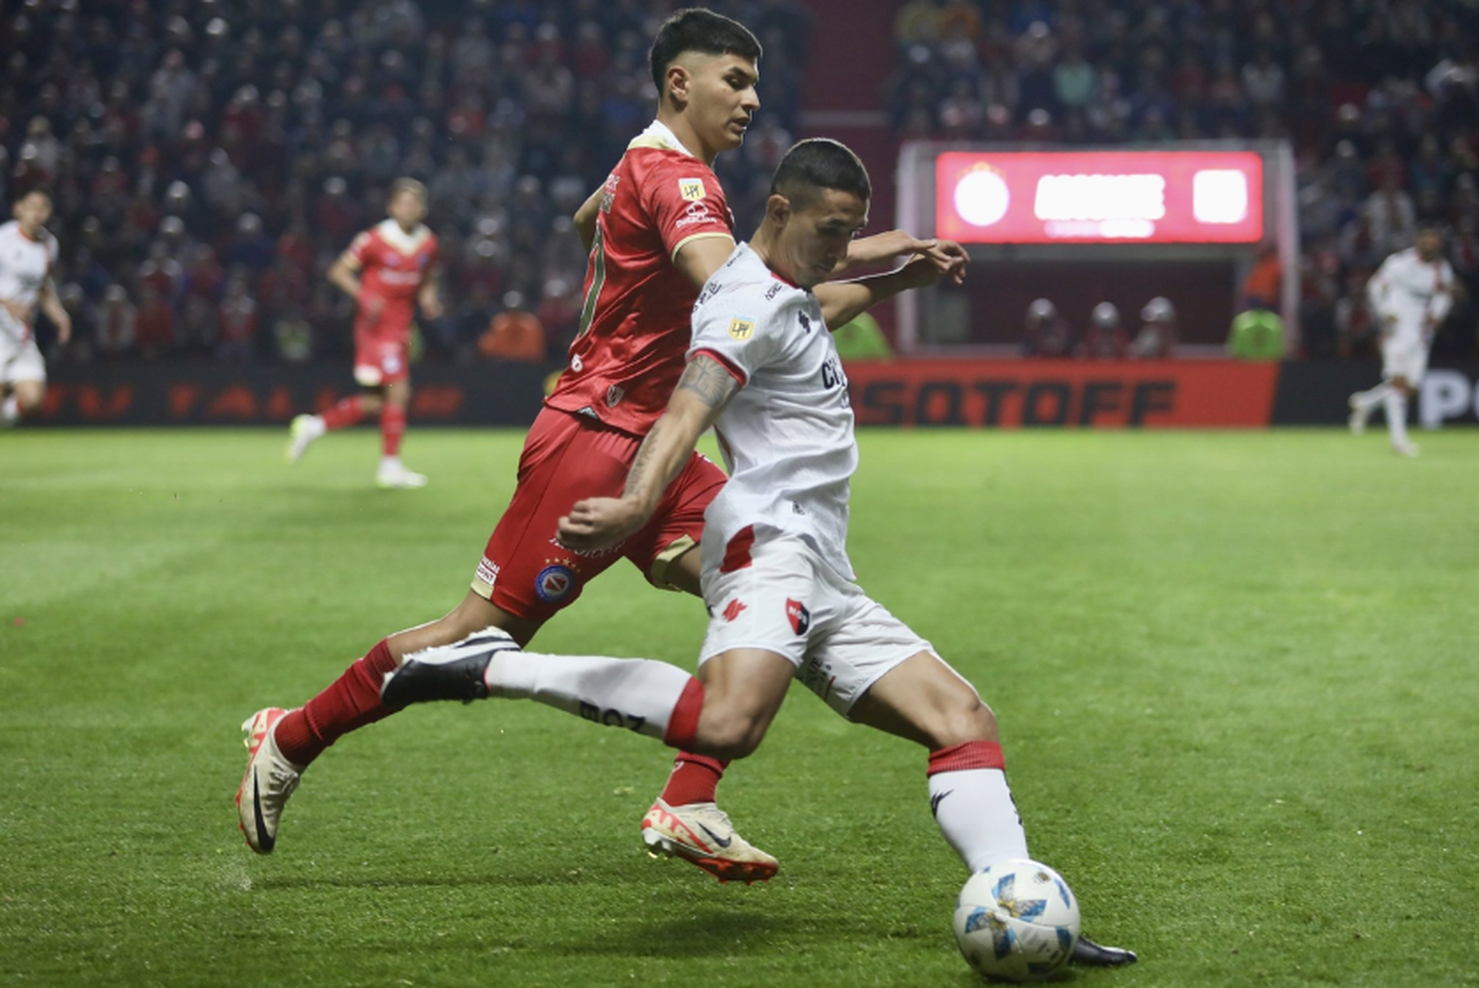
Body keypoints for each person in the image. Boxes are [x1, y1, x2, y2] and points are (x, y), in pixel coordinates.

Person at [380, 138, 1135, 969]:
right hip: (765, 545)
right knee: (730, 724)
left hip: (822, 567)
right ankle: (488, 665)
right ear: (779, 211)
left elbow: (820, 304)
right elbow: (687, 408)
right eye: (832, 230)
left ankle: (1020, 902)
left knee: (963, 721)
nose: (841, 247)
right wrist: (637, 500)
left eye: (854, 232)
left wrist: (897, 274)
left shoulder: (787, 288)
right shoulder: (742, 302)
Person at [237, 8, 944, 885]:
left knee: (759, 586)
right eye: (736, 79)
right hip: (597, 438)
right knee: (472, 636)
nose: (753, 99)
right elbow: (744, 286)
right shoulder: (681, 181)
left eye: (756, 82)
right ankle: (291, 735)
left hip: (657, 445)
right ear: (679, 82)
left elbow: (591, 223)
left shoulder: (640, 164)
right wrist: (876, 251)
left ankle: (689, 797)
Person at [285, 178, 442, 488]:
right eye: (403, 203)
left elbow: (429, 276)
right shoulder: (374, 239)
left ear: (422, 209)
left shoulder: (428, 243)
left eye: (414, 204)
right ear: (392, 206)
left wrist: (428, 299)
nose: (408, 209)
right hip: (376, 328)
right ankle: (389, 467)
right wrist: (364, 296)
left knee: (377, 402)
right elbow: (338, 271)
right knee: (400, 390)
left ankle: (314, 427)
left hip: (402, 326)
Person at [1347, 227, 1455, 457]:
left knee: (1410, 388)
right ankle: (1399, 441)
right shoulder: (1399, 264)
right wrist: (1385, 312)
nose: (1429, 244)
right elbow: (1375, 287)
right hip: (1397, 330)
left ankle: (1367, 402)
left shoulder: (1441, 269)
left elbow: (1444, 295)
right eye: (1425, 239)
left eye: (1433, 240)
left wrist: (1437, 315)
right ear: (1418, 241)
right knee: (1398, 383)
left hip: (1422, 334)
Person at [0, 189, 71, 426]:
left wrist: (59, 315)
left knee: (32, 402)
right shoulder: (4, 239)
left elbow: (43, 288)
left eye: (42, 208)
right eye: (31, 207)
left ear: (48, 213)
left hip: (22, 334)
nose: (36, 214)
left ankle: (6, 415)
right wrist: (5, 302)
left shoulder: (49, 245)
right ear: (18, 208)